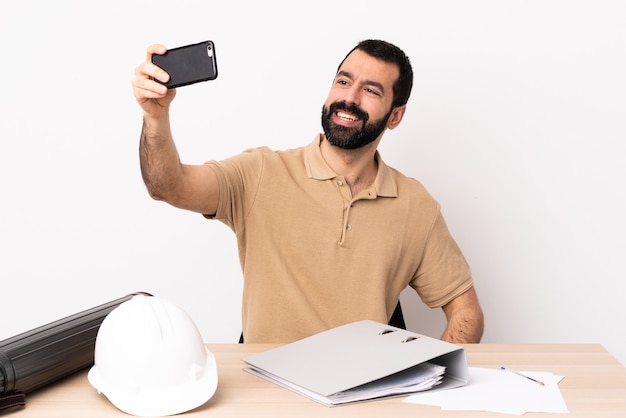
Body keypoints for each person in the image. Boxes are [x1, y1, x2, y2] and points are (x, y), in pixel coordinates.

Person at [132, 39, 484, 344]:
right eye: (343, 81)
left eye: (371, 90)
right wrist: (155, 117)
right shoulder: (261, 173)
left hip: (360, 395)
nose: (349, 98)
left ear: (396, 116)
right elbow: (168, 187)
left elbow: (466, 312)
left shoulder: (416, 206)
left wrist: (431, 385)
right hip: (267, 391)